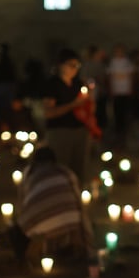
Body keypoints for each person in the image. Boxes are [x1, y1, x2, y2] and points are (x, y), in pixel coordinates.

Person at [6, 144, 93, 270]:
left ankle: (36, 249)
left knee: (15, 230)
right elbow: (78, 205)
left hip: (39, 231)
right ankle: (64, 247)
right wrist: (86, 239)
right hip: (70, 228)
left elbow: (22, 206)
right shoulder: (66, 172)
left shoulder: (28, 173)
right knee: (64, 222)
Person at [43, 48, 92, 185]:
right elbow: (49, 113)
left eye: (77, 65)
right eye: (71, 65)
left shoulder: (78, 84)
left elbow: (86, 107)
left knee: (79, 170)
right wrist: (73, 105)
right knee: (61, 169)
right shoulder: (52, 84)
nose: (75, 69)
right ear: (61, 65)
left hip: (80, 131)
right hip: (60, 132)